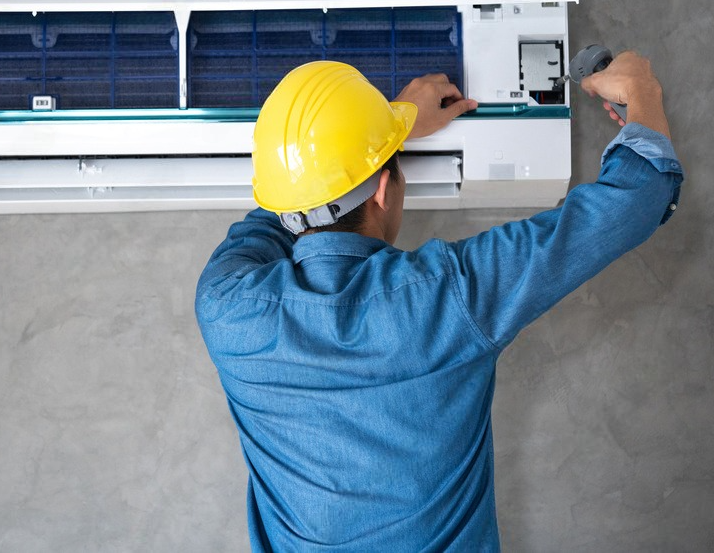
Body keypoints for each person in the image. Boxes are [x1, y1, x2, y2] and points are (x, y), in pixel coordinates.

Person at [194, 55, 682, 552]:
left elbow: (281, 210)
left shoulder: (226, 307)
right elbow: (639, 195)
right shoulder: (451, 296)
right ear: (385, 188)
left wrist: (385, 129)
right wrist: (642, 89)